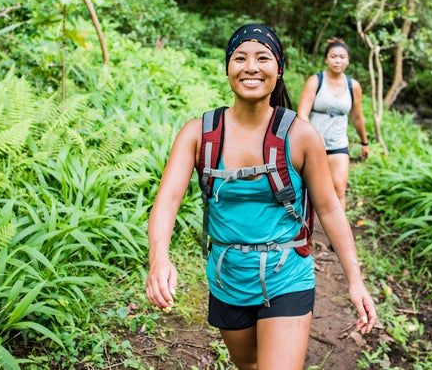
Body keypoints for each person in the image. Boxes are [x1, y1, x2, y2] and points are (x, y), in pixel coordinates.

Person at [146, 24, 377, 370]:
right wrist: (159, 259)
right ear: (227, 68)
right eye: (240, 58)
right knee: (249, 364)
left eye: (262, 58)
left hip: (288, 276)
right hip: (228, 277)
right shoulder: (199, 134)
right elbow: (167, 200)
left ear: (278, 69)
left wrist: (355, 280)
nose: (251, 67)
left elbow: (329, 209)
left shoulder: (300, 136)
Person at [297, 38, 369, 211]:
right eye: (334, 56)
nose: (338, 60)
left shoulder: (353, 86)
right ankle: (305, 232)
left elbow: (357, 117)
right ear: (326, 59)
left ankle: (337, 238)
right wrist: (313, 137)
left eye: (342, 57)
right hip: (313, 144)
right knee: (308, 190)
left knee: (339, 190)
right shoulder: (315, 81)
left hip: (338, 144)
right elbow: (302, 113)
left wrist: (364, 142)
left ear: (348, 60)